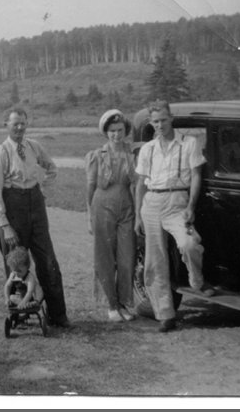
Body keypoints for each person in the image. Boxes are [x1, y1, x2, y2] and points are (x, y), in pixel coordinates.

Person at [134, 99, 215, 333]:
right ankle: (165, 314)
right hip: (151, 201)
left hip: (177, 201)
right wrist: (140, 214)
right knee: (155, 261)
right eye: (155, 122)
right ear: (151, 123)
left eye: (163, 120)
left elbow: (196, 176)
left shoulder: (189, 143)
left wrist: (191, 205)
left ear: (171, 119)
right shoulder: (148, 149)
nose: (160, 125)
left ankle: (197, 281)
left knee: (189, 243)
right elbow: (140, 183)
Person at [0, 107, 70, 328]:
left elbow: (52, 168)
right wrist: (4, 225)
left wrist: (42, 191)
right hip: (12, 211)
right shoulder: (2, 152)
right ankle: (20, 315)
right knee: (17, 265)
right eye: (15, 123)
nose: (20, 127)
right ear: (6, 125)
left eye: (23, 123)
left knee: (48, 262)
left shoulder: (34, 147)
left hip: (35, 206)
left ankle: (58, 316)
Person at [85, 109, 137, 322]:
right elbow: (89, 188)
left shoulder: (131, 154)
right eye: (112, 131)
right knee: (105, 256)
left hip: (126, 207)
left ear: (126, 131)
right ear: (106, 133)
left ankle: (124, 303)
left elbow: (136, 182)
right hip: (102, 205)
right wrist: (89, 215)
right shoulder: (97, 156)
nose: (116, 134)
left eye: (120, 130)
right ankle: (112, 304)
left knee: (127, 257)